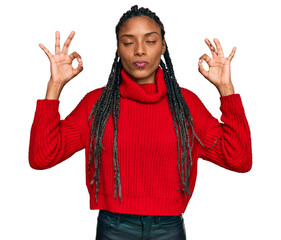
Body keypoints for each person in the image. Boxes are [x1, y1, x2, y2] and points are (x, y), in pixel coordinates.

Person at [29, 5, 252, 240]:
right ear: (117, 48)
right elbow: (42, 156)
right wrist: (54, 86)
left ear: (163, 46)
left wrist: (226, 89)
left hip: (169, 228)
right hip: (114, 227)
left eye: (150, 41)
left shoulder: (185, 105)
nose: (139, 51)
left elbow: (239, 159)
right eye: (128, 42)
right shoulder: (97, 104)